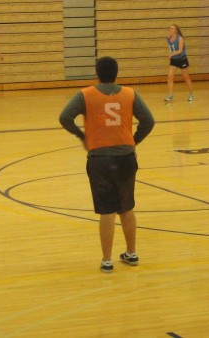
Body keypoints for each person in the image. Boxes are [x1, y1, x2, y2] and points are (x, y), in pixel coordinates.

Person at [59, 56, 155, 273]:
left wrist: (81, 135)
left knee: (107, 211)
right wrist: (133, 140)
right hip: (126, 157)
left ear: (97, 73)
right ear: (116, 73)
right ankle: (131, 253)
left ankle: (107, 260)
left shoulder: (86, 95)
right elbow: (149, 121)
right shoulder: (130, 94)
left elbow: (65, 117)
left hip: (100, 158)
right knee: (126, 207)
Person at [165, 24, 195, 102]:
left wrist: (171, 54)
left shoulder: (180, 39)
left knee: (186, 77)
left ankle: (191, 94)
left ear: (176, 30)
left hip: (182, 59)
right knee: (170, 77)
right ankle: (171, 95)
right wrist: (171, 55)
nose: (170, 30)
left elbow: (180, 50)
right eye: (170, 28)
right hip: (174, 60)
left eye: (172, 29)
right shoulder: (168, 39)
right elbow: (172, 49)